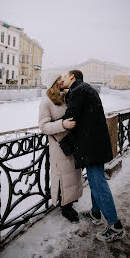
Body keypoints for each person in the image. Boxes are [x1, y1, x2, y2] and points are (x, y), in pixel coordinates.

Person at [61, 69, 125, 242]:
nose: (63, 80)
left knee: (98, 183)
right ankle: (96, 214)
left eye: (65, 77)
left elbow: (70, 118)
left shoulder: (78, 91)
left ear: (72, 77)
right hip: (96, 144)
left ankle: (115, 226)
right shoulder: (86, 89)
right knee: (96, 180)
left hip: (91, 145)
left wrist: (58, 123)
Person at [38, 72, 83, 223]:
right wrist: (62, 125)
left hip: (71, 142)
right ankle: (66, 207)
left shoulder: (66, 97)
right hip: (58, 146)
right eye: (59, 80)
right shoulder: (46, 102)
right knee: (63, 176)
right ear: (53, 83)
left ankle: (71, 201)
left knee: (73, 174)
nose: (62, 81)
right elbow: (43, 127)